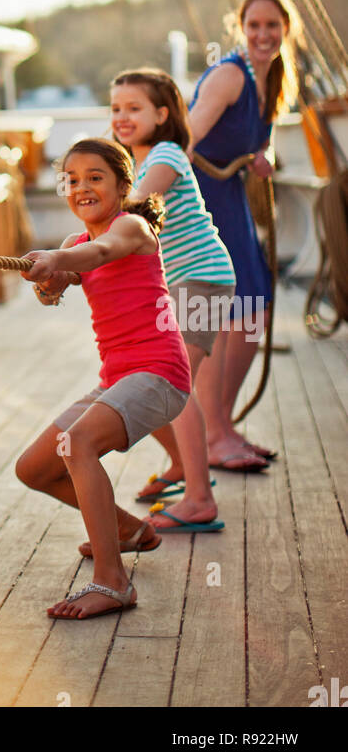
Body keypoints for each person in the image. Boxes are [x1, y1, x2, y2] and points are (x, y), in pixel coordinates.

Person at [19, 139, 191, 620]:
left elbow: (102, 253)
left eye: (95, 177)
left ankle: (114, 583)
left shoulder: (131, 227)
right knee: (34, 469)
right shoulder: (75, 245)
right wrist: (48, 281)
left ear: (123, 184)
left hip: (160, 372)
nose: (82, 187)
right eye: (72, 180)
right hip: (118, 377)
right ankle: (128, 531)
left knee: (76, 445)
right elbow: (66, 275)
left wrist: (57, 258)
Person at [110, 68, 234, 534]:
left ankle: (199, 499)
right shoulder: (133, 158)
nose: (122, 117)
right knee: (139, 374)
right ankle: (183, 464)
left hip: (202, 280)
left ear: (162, 115)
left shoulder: (165, 154)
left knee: (175, 387)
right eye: (117, 108)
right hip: (177, 285)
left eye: (134, 108)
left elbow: (139, 204)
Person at [189, 0, 302, 470]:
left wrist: (261, 158)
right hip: (203, 202)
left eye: (272, 25)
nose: (263, 34)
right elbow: (185, 139)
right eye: (254, 25)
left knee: (251, 311)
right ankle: (213, 436)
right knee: (219, 315)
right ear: (240, 27)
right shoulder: (229, 77)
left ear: (285, 30)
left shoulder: (272, 79)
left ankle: (224, 426)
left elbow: (259, 140)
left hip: (231, 198)